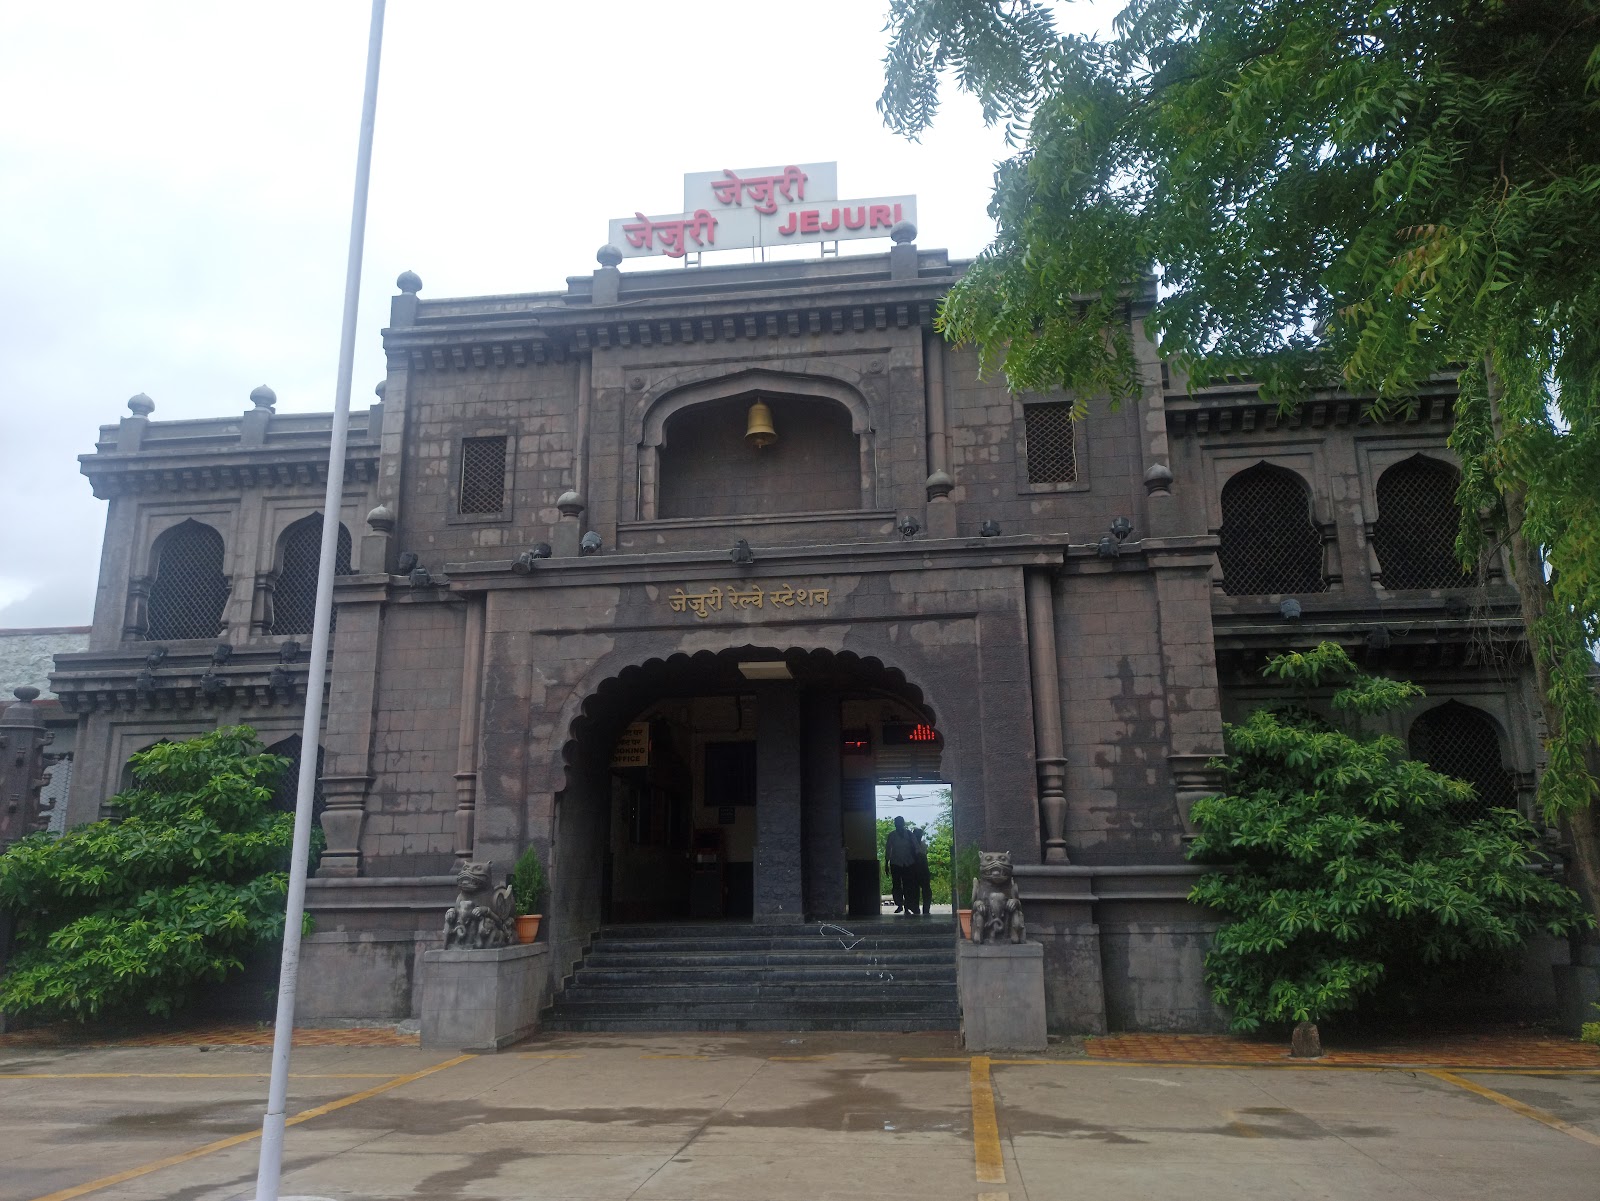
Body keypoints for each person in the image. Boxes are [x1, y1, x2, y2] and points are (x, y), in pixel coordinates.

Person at [884, 815, 918, 915]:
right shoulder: (892, 835)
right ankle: (899, 904)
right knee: (896, 885)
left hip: (908, 863)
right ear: (895, 824)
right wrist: (886, 863)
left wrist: (916, 861)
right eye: (896, 823)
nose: (898, 824)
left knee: (908, 885)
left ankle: (907, 906)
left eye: (899, 822)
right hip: (895, 863)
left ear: (903, 823)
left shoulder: (909, 834)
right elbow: (888, 850)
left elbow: (916, 847)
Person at [909, 824, 933, 916]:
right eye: (917, 835)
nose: (918, 836)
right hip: (914, 869)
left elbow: (921, 854)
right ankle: (916, 908)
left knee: (926, 889)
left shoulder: (923, 844)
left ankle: (926, 909)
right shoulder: (911, 846)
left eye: (919, 835)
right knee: (915, 890)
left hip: (922, 868)